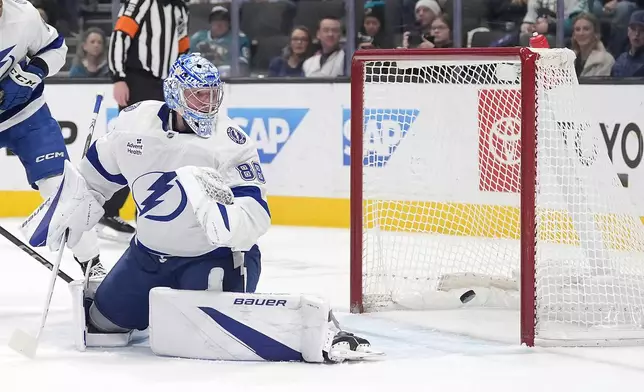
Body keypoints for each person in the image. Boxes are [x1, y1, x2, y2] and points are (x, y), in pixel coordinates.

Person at [27, 53, 379, 363]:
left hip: (212, 257)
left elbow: (257, 214)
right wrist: (74, 209)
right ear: (175, 96)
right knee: (102, 326)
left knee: (207, 337)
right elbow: (93, 180)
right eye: (197, 95)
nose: (206, 104)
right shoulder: (132, 126)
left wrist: (225, 220)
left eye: (212, 95)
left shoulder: (230, 144)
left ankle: (316, 329)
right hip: (147, 257)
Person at [0, 0, 104, 277]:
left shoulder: (22, 15)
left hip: (27, 114)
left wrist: (35, 71)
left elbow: (56, 48)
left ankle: (93, 267)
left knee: (63, 191)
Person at [106, 0, 189, 243]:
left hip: (166, 85)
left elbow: (183, 47)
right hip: (137, 80)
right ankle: (108, 210)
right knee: (132, 145)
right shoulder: (140, 2)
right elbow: (120, 36)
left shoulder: (181, 7)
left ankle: (149, 212)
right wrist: (118, 77)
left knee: (161, 149)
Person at [189, 5, 251, 77]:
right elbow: (186, 63)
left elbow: (243, 67)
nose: (219, 24)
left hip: (228, 82)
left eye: (223, 20)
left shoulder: (239, 39)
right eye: (215, 20)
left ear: (229, 23)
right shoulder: (197, 38)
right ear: (210, 23)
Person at [570, 13, 615, 77]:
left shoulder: (606, 60)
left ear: (596, 33)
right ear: (574, 35)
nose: (581, 33)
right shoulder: (567, 60)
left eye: (586, 29)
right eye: (577, 29)